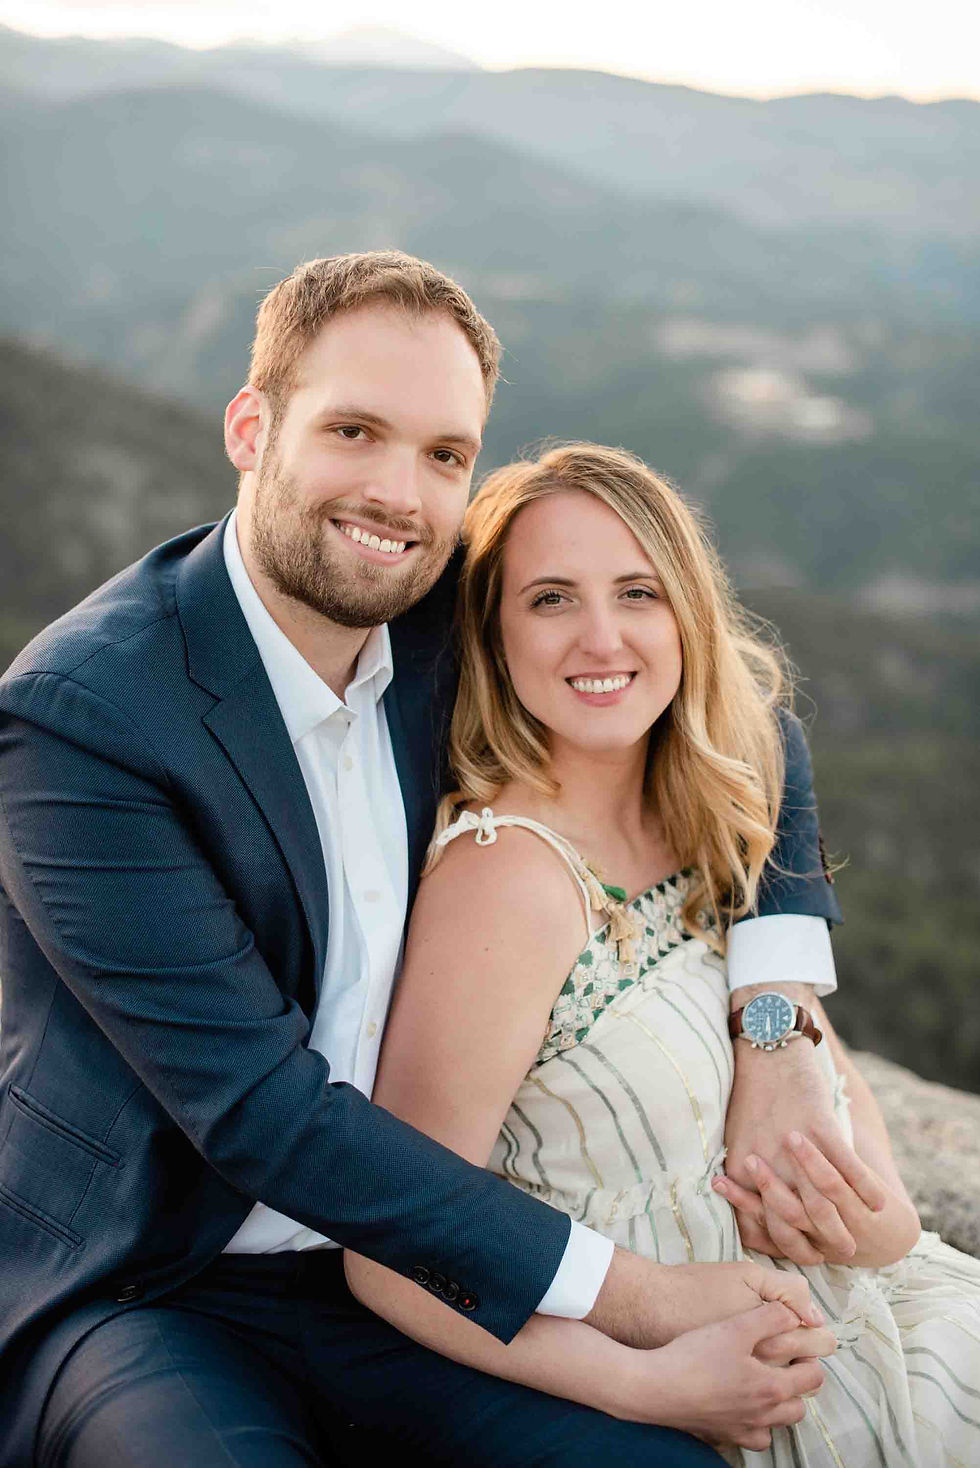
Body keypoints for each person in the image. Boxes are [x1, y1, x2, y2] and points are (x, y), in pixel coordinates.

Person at [1, 253, 838, 1468]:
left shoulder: (445, 615)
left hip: (415, 1277)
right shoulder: (84, 721)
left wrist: (774, 1010)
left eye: (445, 454)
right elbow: (265, 1117)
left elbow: (743, 726)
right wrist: (645, 1305)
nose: (399, 493)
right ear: (251, 427)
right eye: (354, 430)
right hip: (151, 1280)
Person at [345, 442, 980, 1464]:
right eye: (549, 598)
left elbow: (801, 1043)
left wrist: (884, 1210)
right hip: (742, 1389)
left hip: (886, 1310)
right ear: (494, 634)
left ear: (686, 612)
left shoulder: (697, 811)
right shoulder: (507, 881)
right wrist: (642, 1384)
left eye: (636, 591)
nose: (601, 637)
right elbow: (390, 1244)